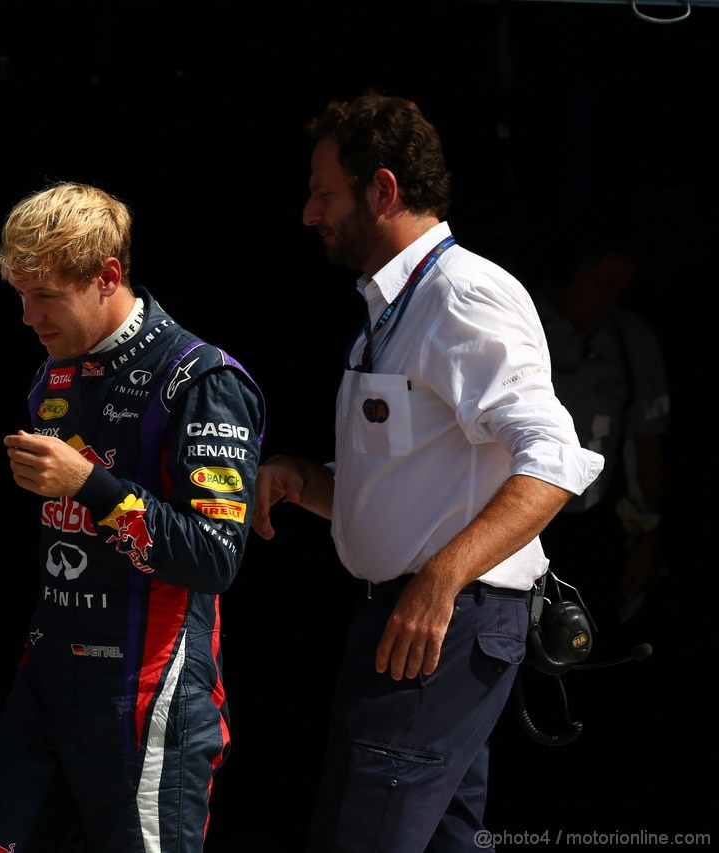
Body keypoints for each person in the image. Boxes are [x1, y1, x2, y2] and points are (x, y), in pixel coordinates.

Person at [252, 94, 604, 852]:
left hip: (443, 623)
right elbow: (405, 485)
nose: (309, 213)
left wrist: (439, 581)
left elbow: (553, 460)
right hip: (413, 621)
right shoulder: (392, 306)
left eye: (325, 192)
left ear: (383, 190)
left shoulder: (461, 294)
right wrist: (301, 478)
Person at [0, 182, 265, 853]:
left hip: (148, 693)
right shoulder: (54, 376)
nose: (27, 315)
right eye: (20, 293)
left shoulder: (200, 378)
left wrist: (91, 486)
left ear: (106, 277)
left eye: (45, 295)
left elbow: (215, 556)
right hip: (48, 679)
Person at [535, 223, 669, 625]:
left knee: (594, 634)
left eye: (620, 291)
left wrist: (648, 535)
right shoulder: (522, 322)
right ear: (573, 272)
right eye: (603, 285)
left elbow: (648, 441)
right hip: (521, 517)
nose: (610, 301)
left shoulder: (630, 338)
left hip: (598, 519)